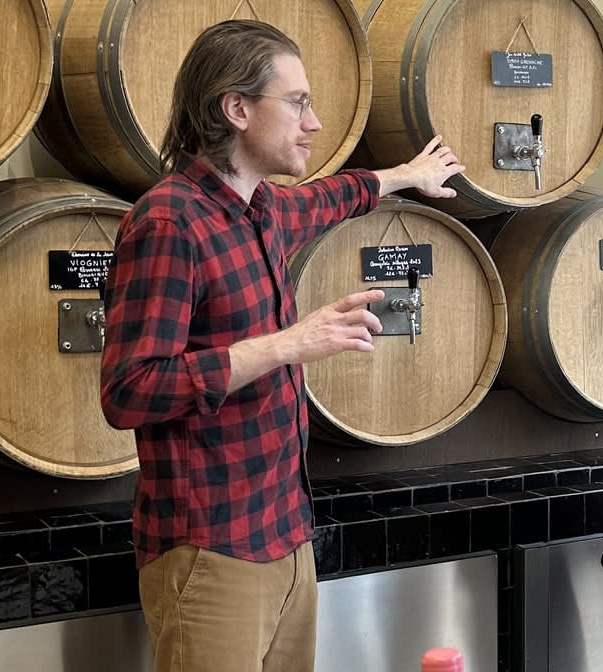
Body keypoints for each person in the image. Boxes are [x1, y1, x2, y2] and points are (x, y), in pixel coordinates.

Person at [97, 20, 463, 672]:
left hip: (287, 535)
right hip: (211, 549)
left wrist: (406, 175)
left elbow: (330, 198)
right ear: (237, 109)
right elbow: (129, 391)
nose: (314, 122)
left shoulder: (263, 208)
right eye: (297, 103)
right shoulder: (169, 222)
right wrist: (286, 345)